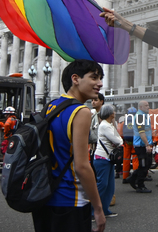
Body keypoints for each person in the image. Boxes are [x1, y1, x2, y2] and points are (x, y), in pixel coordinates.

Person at [31, 59, 106, 232]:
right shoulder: (81, 111)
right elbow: (81, 166)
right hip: (69, 198)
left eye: (100, 78)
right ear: (75, 79)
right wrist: (98, 207)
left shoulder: (51, 106)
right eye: (94, 77)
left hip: (44, 195)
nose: (99, 84)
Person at [93, 104, 122, 218]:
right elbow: (118, 140)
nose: (114, 113)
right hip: (102, 158)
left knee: (109, 186)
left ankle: (104, 209)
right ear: (110, 113)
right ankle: (93, 211)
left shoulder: (109, 125)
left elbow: (119, 139)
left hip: (108, 158)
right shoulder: (105, 126)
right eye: (113, 111)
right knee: (102, 185)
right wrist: (117, 140)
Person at [125, 100, 153, 193]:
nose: (148, 107)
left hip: (143, 144)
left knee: (147, 164)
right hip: (141, 145)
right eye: (146, 105)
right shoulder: (140, 117)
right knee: (144, 165)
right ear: (140, 107)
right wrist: (147, 145)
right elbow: (141, 132)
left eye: (148, 105)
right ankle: (140, 185)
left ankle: (132, 178)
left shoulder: (144, 116)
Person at [119, 107, 139, 183]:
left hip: (127, 143)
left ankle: (125, 177)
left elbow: (121, 133)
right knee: (135, 159)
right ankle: (135, 177)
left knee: (126, 160)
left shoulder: (124, 122)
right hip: (135, 143)